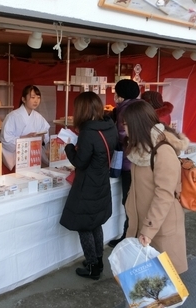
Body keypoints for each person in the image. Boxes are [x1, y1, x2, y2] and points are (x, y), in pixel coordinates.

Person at [122, 101, 189, 274]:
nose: (124, 128)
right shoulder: (140, 149)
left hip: (160, 226)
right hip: (143, 224)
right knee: (144, 284)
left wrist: (148, 229)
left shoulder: (163, 150)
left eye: (126, 124)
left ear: (137, 125)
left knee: (163, 286)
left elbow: (164, 195)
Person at [59, 91, 118, 280]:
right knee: (95, 224)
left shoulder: (87, 132)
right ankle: (98, 260)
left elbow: (80, 162)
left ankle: (92, 267)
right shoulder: (109, 126)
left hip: (87, 185)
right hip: (101, 181)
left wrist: (68, 146)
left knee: (85, 226)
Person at [108, 79, 142, 248]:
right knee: (137, 200)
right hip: (141, 162)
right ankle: (134, 234)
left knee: (128, 201)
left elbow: (122, 136)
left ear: (121, 96)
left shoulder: (124, 112)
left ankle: (129, 237)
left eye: (116, 93)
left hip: (128, 163)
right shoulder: (141, 107)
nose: (114, 96)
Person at [1, 85, 50, 172]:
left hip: (34, 157)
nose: (36, 101)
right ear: (23, 99)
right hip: (18, 157)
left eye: (38, 98)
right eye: (33, 97)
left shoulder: (39, 117)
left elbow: (45, 135)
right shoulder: (12, 116)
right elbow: (6, 140)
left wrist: (41, 138)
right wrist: (24, 139)